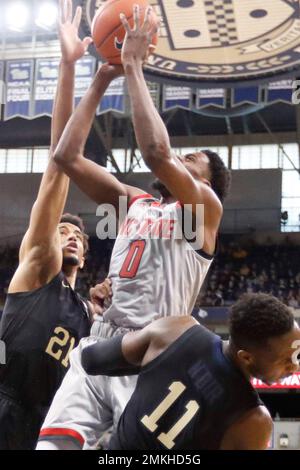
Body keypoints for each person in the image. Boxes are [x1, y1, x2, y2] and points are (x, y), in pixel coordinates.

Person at [37, 7, 231, 450]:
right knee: (52, 446)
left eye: (192, 162)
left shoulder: (202, 210)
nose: (181, 159)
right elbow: (67, 157)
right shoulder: (137, 202)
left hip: (151, 351)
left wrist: (134, 67)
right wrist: (102, 80)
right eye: (185, 157)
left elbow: (158, 153)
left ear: (207, 184)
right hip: (100, 341)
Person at [0, 0, 111, 450]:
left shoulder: (85, 310)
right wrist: (70, 68)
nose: (69, 236)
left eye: (78, 235)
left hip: (51, 424)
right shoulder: (40, 265)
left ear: (85, 253)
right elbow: (57, 167)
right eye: (63, 230)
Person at [82, 293, 300, 450]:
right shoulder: (253, 420)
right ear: (246, 357)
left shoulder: (177, 330)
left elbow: (92, 360)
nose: (295, 367)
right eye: (286, 361)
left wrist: (149, 367)